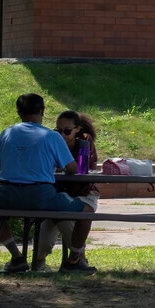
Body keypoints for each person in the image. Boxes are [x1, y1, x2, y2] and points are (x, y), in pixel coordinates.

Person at [0, 92, 91, 273]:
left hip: (7, 194)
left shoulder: (7, 133)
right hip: (41, 196)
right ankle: (74, 260)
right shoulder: (52, 136)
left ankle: (16, 257)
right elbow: (73, 168)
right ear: (42, 111)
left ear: (18, 113)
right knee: (87, 211)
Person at [52, 110, 102, 272]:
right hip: (60, 192)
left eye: (67, 131)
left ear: (78, 130)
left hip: (83, 190)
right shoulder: (52, 141)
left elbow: (80, 170)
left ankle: (76, 258)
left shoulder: (84, 143)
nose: (62, 135)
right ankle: (77, 258)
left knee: (75, 214)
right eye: (58, 131)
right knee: (60, 220)